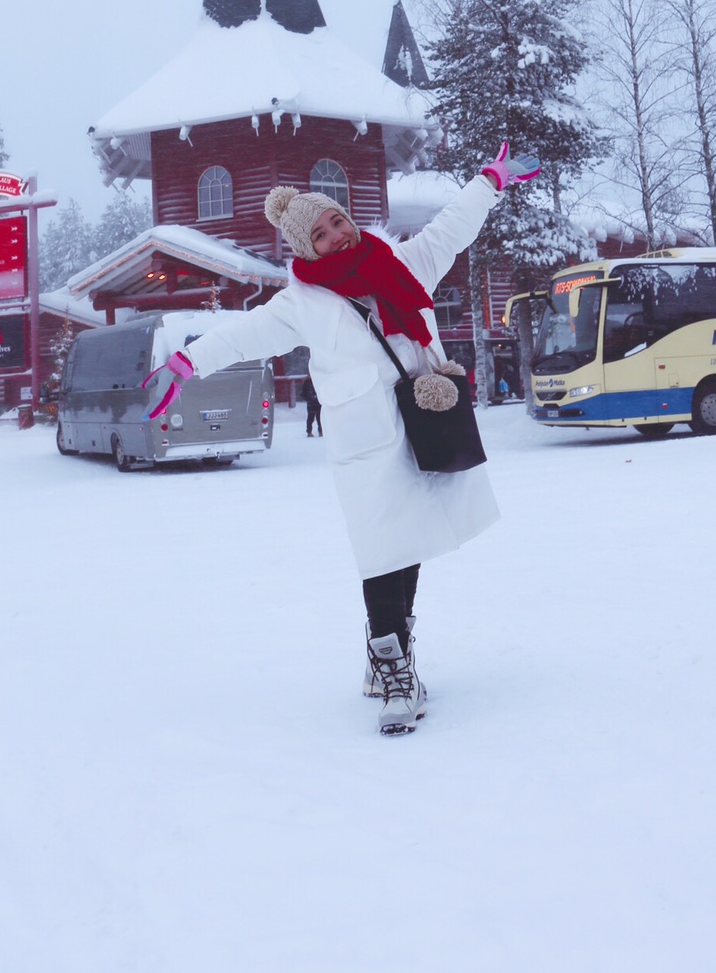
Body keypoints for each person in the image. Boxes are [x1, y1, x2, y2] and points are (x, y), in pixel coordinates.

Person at [146, 142, 540, 735]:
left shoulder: (403, 262)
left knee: (409, 547)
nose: (336, 235)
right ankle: (394, 672)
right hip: (365, 443)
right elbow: (242, 334)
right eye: (322, 233)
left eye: (337, 220)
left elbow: (451, 228)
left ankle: (384, 656)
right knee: (383, 553)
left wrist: (489, 180)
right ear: (306, 247)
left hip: (422, 425)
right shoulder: (300, 302)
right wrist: (185, 364)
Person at [301, 372, 323, 438]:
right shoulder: (319, 381)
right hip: (318, 402)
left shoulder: (306, 382)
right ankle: (321, 431)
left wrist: (308, 399)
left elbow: (303, 393)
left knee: (310, 418)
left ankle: (309, 432)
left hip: (311, 403)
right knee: (319, 418)